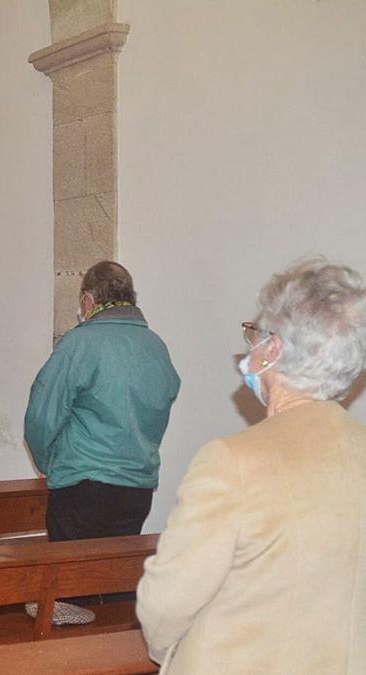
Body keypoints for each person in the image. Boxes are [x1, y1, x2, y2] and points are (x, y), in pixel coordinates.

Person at [137, 258, 366, 673]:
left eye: (255, 335)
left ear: (273, 349)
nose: (250, 347)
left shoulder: (232, 462)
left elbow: (166, 603)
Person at [24, 260, 179, 624]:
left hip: (83, 482)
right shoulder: (155, 345)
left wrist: (50, 462)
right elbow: (163, 399)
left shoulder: (80, 343)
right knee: (114, 584)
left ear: (89, 300)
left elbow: (42, 414)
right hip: (137, 486)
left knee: (68, 593)